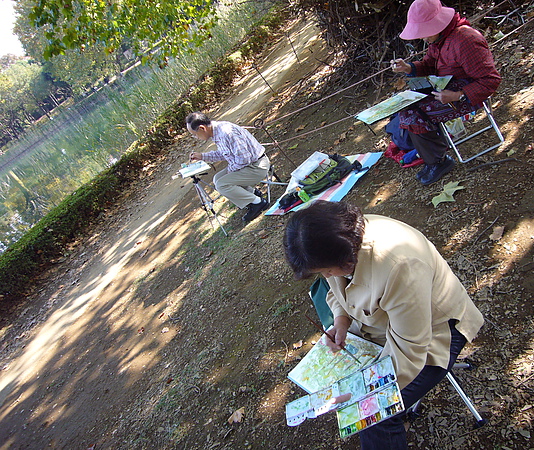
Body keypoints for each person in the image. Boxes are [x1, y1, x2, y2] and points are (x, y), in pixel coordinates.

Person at [283, 201, 484, 450]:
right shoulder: (341, 240)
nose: (326, 277)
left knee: (371, 417)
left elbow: (410, 349)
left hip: (437, 330)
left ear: (346, 260)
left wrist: (361, 393)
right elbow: (336, 292)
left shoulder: (398, 266)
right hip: (384, 327)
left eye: (326, 270)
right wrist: (341, 320)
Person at [391, 0, 501, 186]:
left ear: (438, 23)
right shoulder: (441, 38)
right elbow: (429, 64)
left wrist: (458, 95)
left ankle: (438, 161)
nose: (423, 38)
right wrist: (408, 67)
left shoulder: (466, 40)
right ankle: (433, 157)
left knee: (412, 116)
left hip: (466, 96)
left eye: (425, 32)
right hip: (447, 88)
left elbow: (491, 80)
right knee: (405, 108)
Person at [186, 112, 270, 222]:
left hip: (257, 166)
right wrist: (202, 156)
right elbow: (223, 153)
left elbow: (244, 158)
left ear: (202, 128)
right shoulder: (216, 132)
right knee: (217, 179)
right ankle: (252, 193)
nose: (196, 137)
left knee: (222, 184)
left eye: (195, 134)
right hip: (248, 165)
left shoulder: (226, 132)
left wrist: (230, 171)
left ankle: (258, 203)